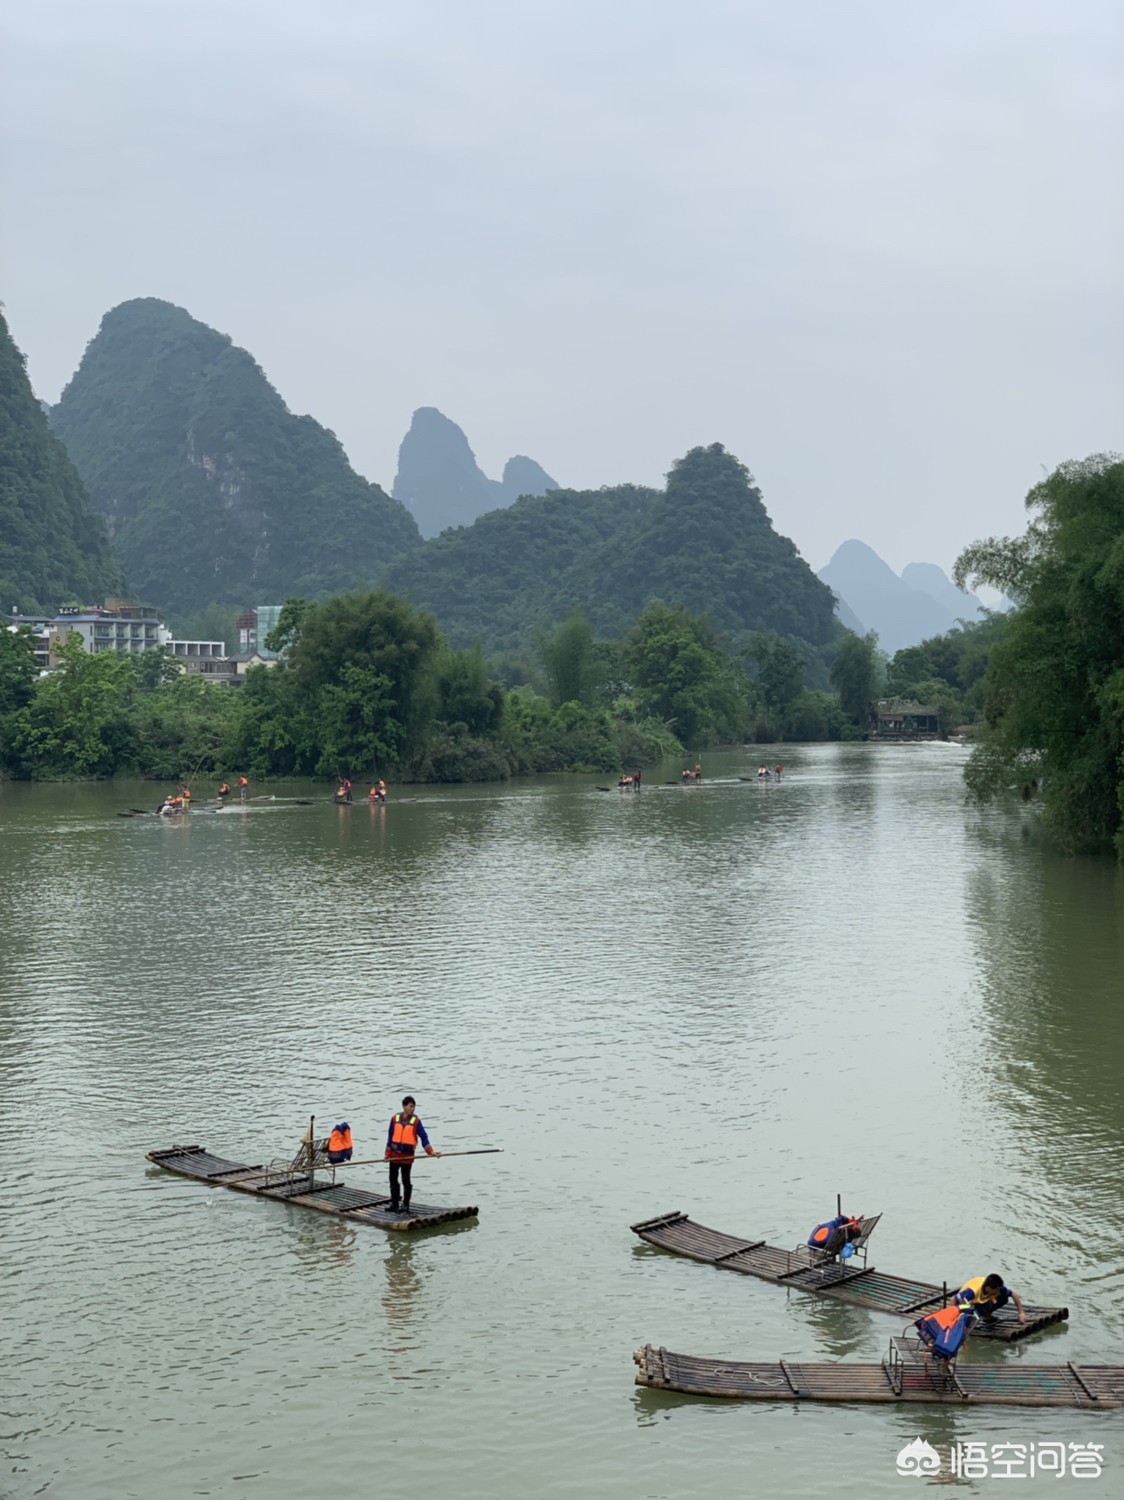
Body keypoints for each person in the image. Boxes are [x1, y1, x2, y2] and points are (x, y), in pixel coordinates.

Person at [384, 1095, 438, 1213]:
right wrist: (387, 1154)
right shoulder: (395, 1119)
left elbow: (424, 1137)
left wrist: (430, 1151)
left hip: (407, 1157)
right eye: (410, 1106)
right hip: (394, 1155)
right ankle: (394, 1204)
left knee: (406, 1180)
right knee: (393, 1179)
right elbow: (390, 1136)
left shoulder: (416, 1121)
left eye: (413, 1107)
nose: (412, 1109)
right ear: (404, 1106)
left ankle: (406, 1205)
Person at [954, 1273, 1026, 1325]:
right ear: (988, 1288)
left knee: (1004, 1297)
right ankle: (969, 1319)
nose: (998, 1292)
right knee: (969, 1309)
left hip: (981, 1301)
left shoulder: (995, 1288)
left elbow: (1013, 1294)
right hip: (968, 1304)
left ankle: (987, 1316)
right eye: (996, 1290)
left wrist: (1021, 1312)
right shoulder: (972, 1292)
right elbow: (953, 1300)